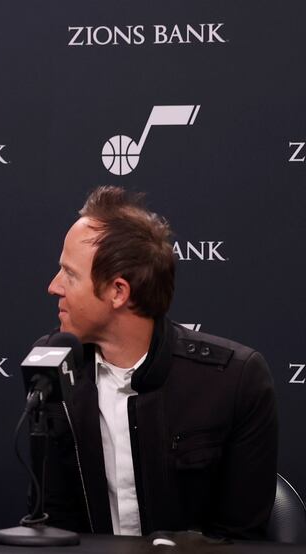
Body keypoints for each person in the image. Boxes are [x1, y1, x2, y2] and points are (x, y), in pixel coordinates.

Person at [41, 185, 277, 539]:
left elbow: (239, 537)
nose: (53, 286)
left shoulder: (235, 380)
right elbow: (53, 523)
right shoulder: (54, 367)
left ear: (118, 292)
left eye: (69, 275)